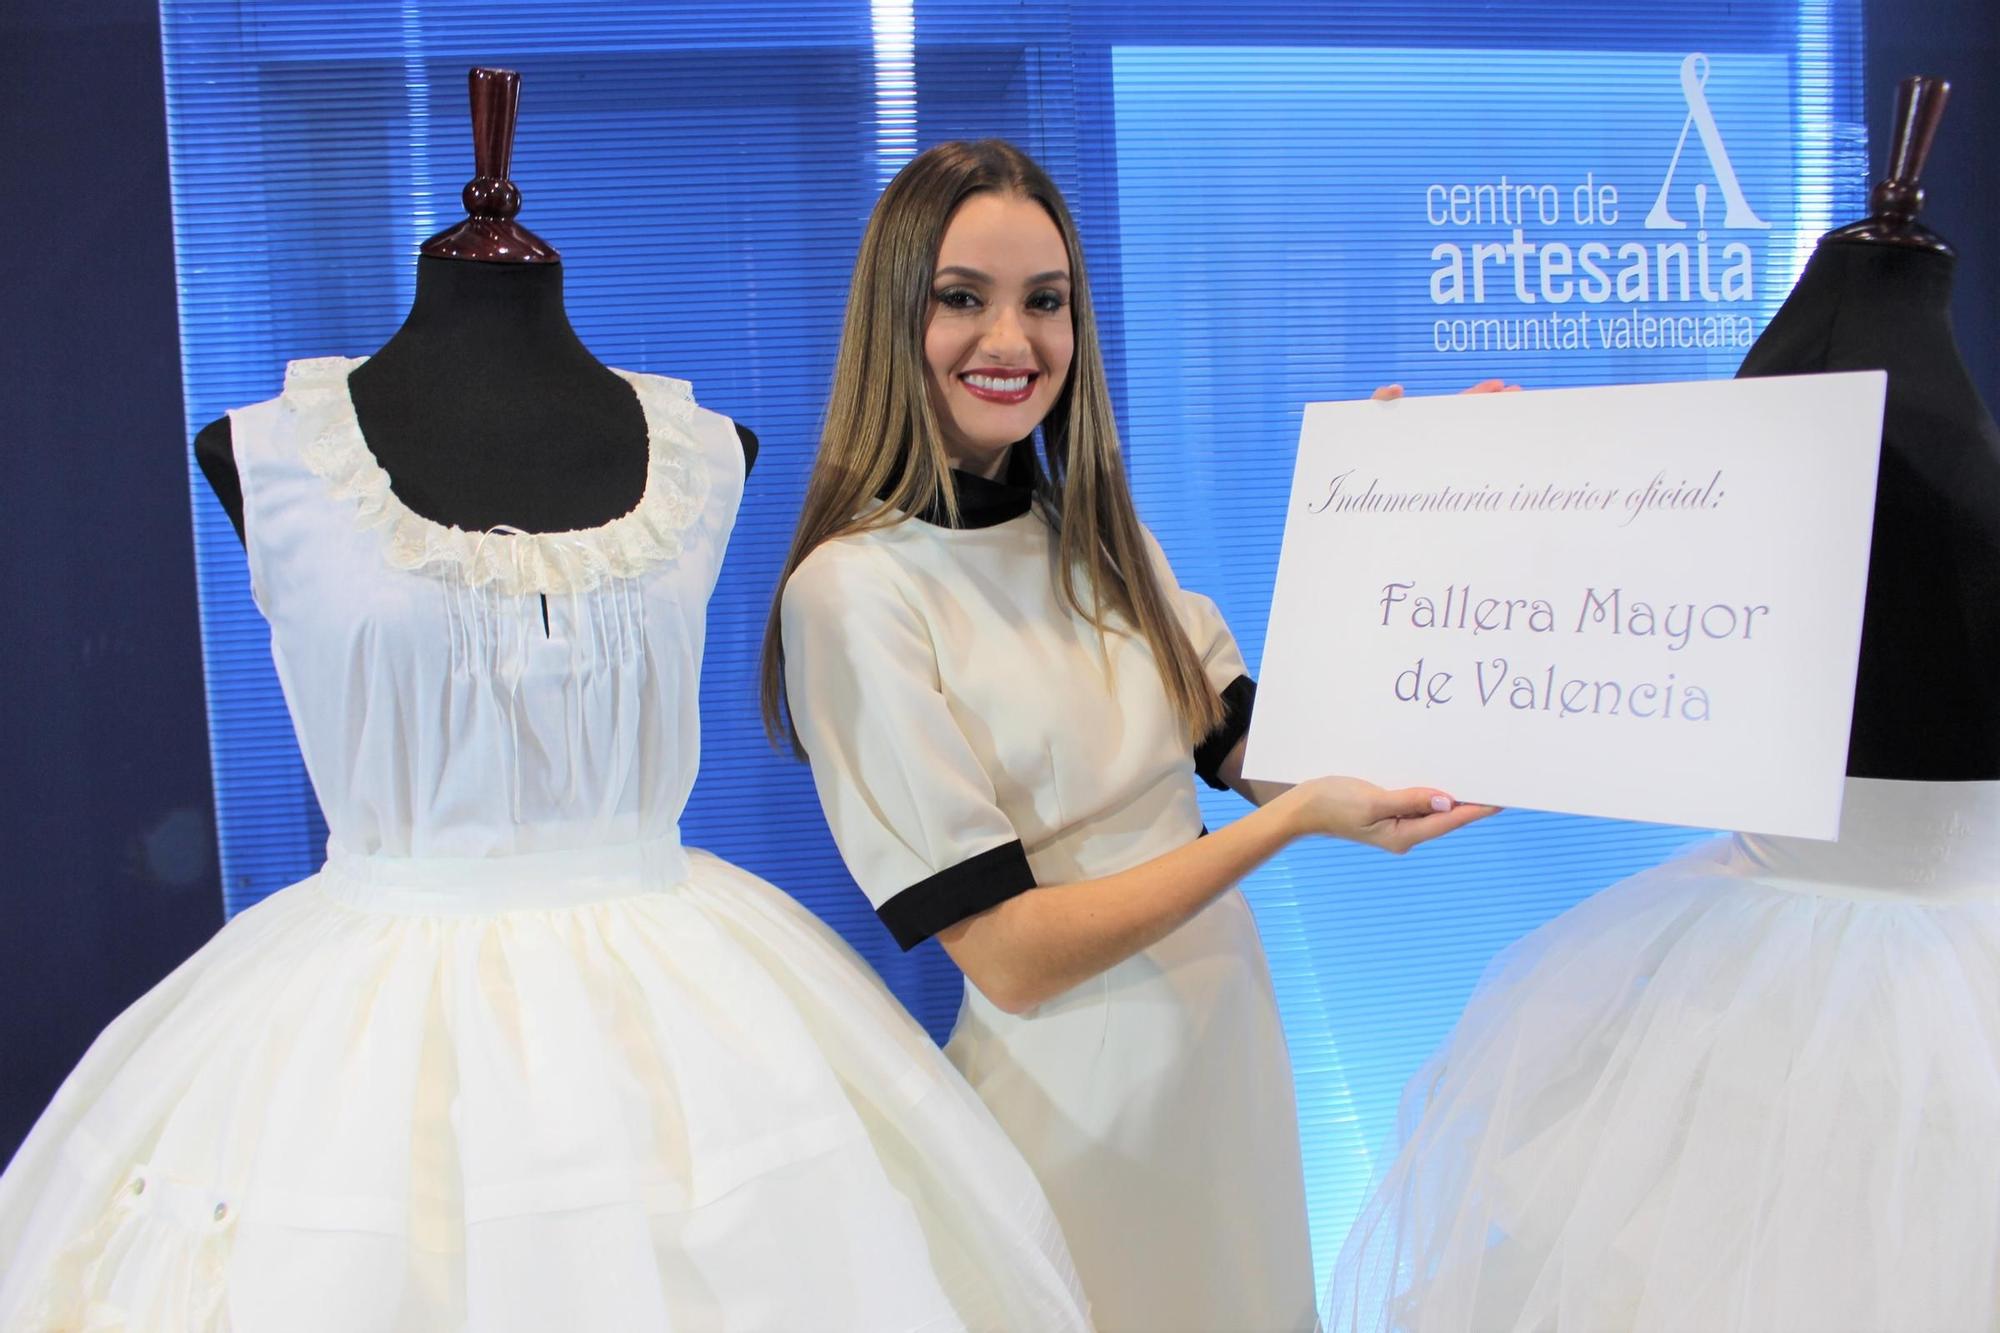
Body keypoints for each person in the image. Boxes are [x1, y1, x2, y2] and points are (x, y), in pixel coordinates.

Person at [765, 138, 1494, 1332]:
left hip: (1224, 1072)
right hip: (1072, 1111)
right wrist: (1292, 828)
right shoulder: (851, 594)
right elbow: (1009, 954)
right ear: (895, 316)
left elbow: (1273, 753)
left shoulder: (1093, 535)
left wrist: (1418, 506)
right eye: (963, 299)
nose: (1012, 341)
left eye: (1043, 302)